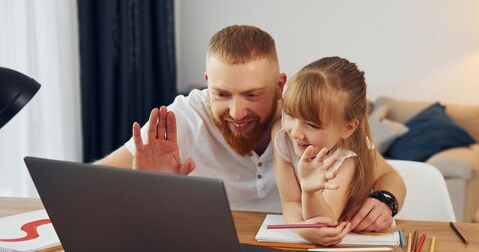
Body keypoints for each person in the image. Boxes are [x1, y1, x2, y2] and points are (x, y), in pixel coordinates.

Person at [96, 25, 405, 230]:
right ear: (207, 84)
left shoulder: (306, 123)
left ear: (280, 85)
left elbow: (388, 175)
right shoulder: (184, 118)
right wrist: (144, 186)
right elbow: (92, 184)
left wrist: (384, 201)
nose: (236, 112)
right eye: (221, 94)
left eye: (252, 95)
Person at [273, 57, 400, 245]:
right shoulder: (283, 135)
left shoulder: (345, 159)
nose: (296, 132)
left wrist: (310, 191)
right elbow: (290, 202)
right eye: (290, 115)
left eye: (312, 124)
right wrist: (301, 229)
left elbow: (324, 223)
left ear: (347, 128)